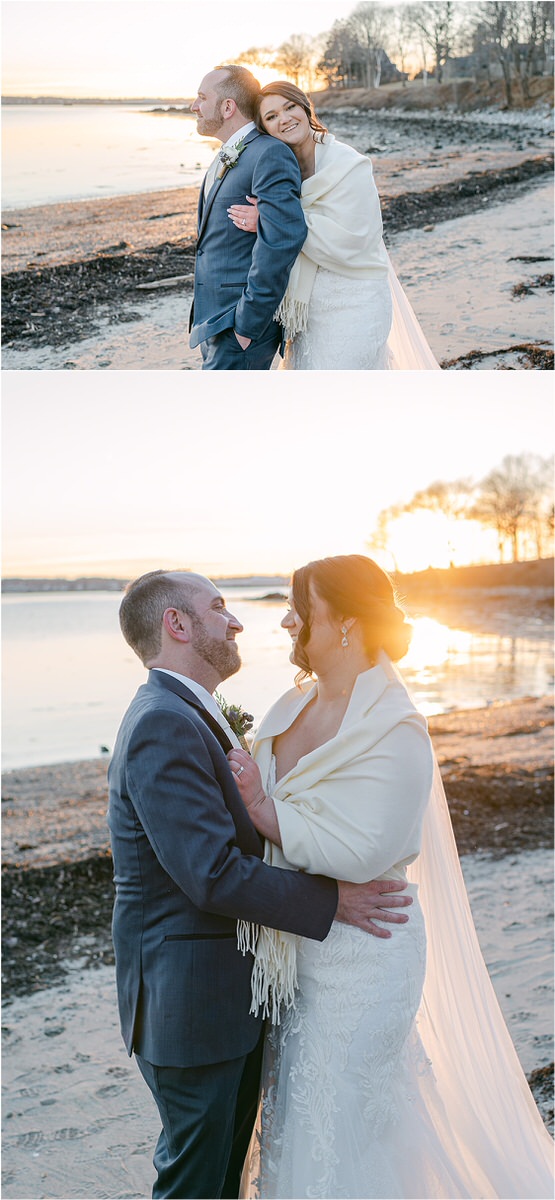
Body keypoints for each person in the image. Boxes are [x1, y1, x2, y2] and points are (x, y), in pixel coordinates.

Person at [228, 555, 554, 1199]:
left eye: (301, 607)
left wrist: (266, 814)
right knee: (300, 1115)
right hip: (301, 954)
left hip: (367, 956)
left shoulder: (397, 728)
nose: (288, 619)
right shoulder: (290, 704)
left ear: (345, 622)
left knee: (344, 1118)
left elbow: (364, 847)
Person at [107, 568, 414, 1200]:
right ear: (178, 624)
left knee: (222, 1179)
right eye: (219, 607)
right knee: (196, 1185)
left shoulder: (193, 712)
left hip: (234, 999)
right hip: (191, 1006)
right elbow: (212, 874)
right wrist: (333, 901)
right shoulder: (164, 723)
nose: (239, 620)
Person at [228, 82, 440, 370]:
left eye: (290, 107)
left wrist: (269, 221)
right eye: (272, 116)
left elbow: (353, 241)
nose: (285, 119)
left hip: (356, 298)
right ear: (265, 128)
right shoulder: (279, 169)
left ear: (305, 108)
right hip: (308, 311)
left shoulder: (349, 164)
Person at [188, 66, 306, 370]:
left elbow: (281, 241)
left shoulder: (268, 153)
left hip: (240, 325)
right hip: (214, 321)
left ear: (228, 107)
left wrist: (246, 326)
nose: (194, 106)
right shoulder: (228, 152)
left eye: (202, 97)